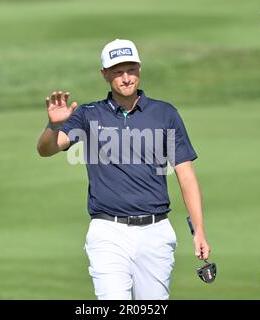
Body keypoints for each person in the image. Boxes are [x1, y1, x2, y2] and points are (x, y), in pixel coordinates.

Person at [36, 39, 210, 300]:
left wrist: (199, 231)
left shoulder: (165, 114)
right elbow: (46, 149)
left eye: (131, 69)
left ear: (140, 69)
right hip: (108, 232)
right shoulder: (88, 114)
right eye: (117, 72)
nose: (126, 78)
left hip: (156, 231)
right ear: (104, 74)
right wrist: (52, 126)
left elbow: (186, 176)